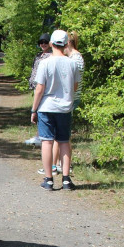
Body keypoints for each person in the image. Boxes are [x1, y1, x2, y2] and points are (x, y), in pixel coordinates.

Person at [30, 29, 79, 191]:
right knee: (64, 141)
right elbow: (75, 86)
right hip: (65, 108)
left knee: (47, 141)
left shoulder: (45, 63)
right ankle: (66, 179)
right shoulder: (73, 63)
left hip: (46, 107)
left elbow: (39, 88)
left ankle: (49, 179)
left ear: (51, 44)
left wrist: (34, 109)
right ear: (66, 44)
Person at [24, 33, 52, 148]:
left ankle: (41, 135)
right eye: (41, 42)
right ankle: (39, 134)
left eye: (45, 42)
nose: (43, 44)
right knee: (38, 111)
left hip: (44, 87)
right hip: (36, 85)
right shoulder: (38, 55)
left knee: (40, 111)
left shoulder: (51, 56)